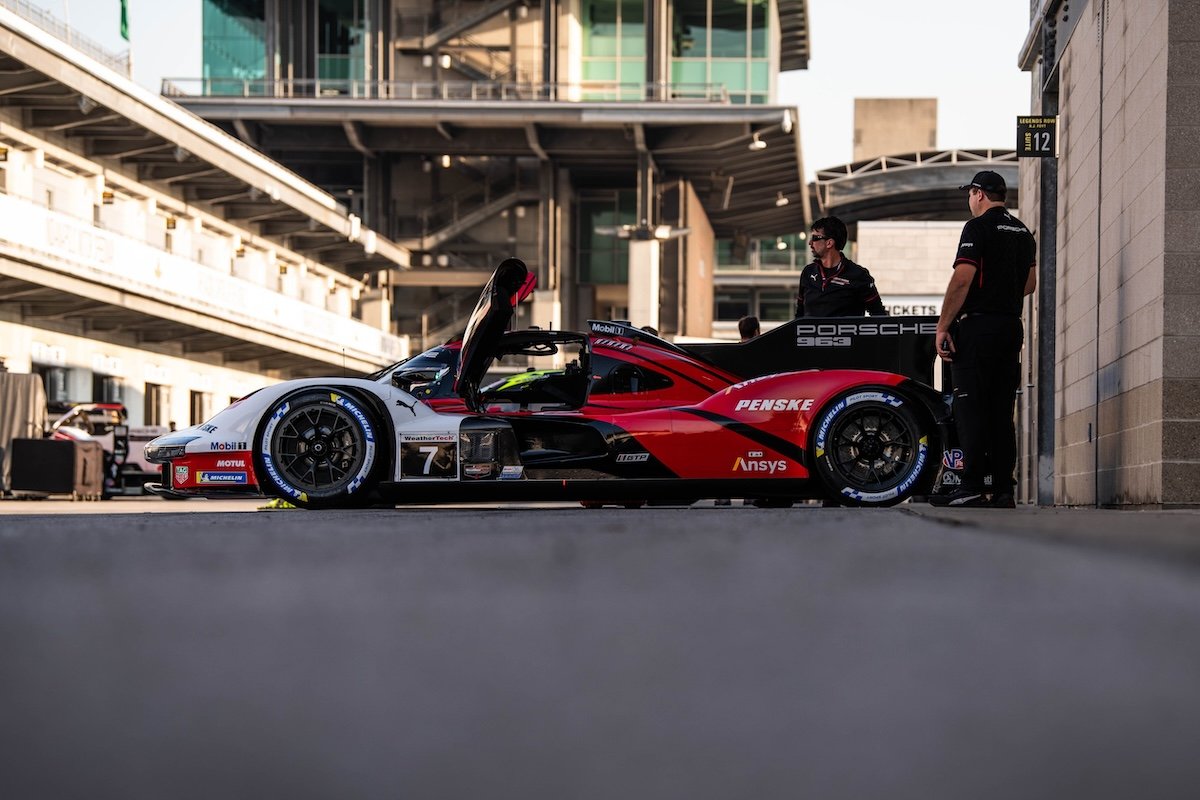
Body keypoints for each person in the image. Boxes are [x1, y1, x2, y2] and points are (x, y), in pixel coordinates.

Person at [929, 170, 1036, 508]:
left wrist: (943, 326)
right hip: (1010, 328)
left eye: (970, 193)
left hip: (978, 329)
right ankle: (1003, 490)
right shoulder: (1023, 232)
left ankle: (972, 485)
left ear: (978, 194)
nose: (969, 200)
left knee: (970, 407)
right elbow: (1029, 284)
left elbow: (963, 279)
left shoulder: (977, 227)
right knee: (1002, 412)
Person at [795, 216, 888, 318]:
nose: (810, 243)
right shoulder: (808, 272)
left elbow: (879, 315)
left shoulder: (859, 275)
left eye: (815, 238)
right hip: (810, 329)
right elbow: (799, 314)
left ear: (829, 243)